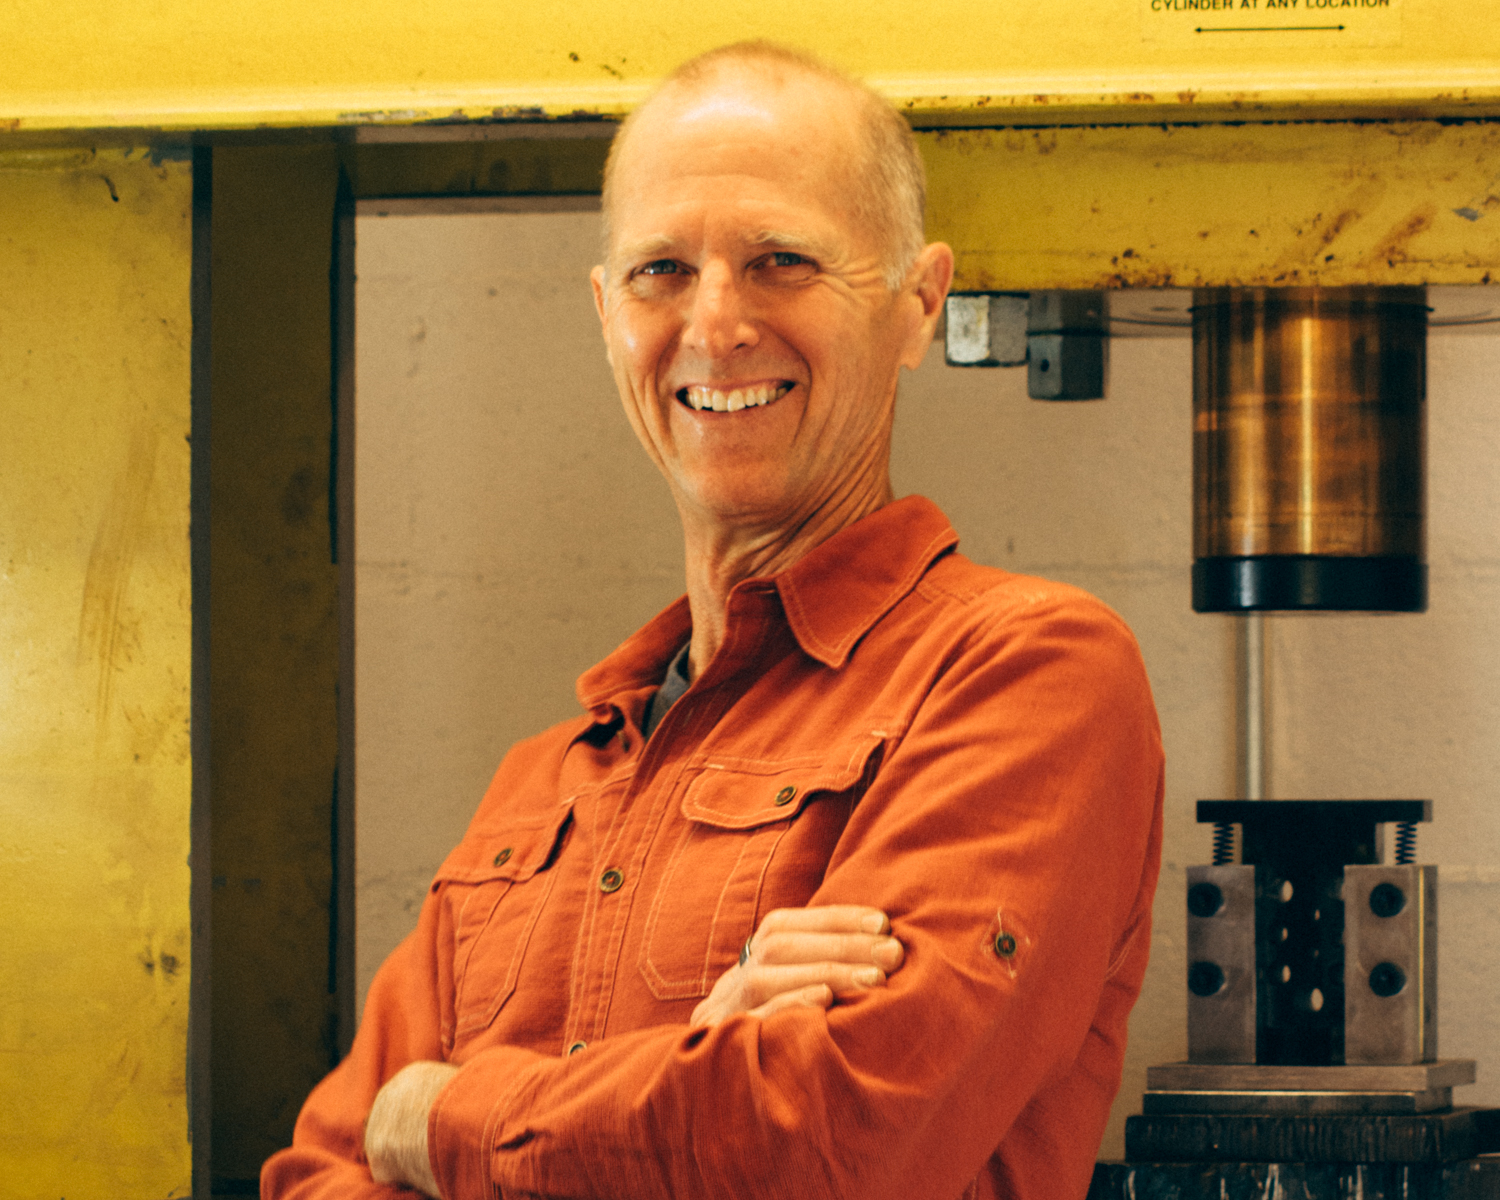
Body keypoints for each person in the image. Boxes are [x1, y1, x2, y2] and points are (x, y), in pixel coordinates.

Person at [263, 40, 1163, 1200]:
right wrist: (697, 1076)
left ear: (917, 302)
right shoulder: (543, 786)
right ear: (605, 314)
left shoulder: (1024, 678)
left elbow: (823, 1148)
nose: (717, 323)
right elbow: (315, 1178)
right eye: (660, 273)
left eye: (782, 260)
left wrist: (439, 1120)